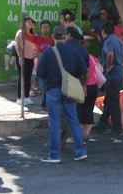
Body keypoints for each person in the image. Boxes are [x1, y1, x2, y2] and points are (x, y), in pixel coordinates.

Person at [37, 25, 88, 163]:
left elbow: (40, 73)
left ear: (53, 37)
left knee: (54, 123)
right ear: (66, 36)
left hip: (53, 90)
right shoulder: (74, 52)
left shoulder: (47, 53)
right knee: (74, 121)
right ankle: (80, 151)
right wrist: (83, 85)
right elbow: (84, 70)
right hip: (70, 90)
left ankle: (54, 155)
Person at [98, 22, 123, 135]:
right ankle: (102, 124)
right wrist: (121, 64)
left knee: (114, 103)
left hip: (112, 76)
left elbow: (110, 54)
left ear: (104, 32)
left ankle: (117, 128)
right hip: (119, 75)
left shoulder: (108, 41)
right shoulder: (117, 40)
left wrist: (109, 66)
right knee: (109, 101)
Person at [14, 17, 37, 105]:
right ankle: (20, 98)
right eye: (28, 22)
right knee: (22, 77)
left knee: (28, 78)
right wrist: (20, 56)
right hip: (22, 58)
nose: (30, 23)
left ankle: (27, 97)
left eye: (31, 22)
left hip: (30, 58)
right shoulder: (20, 33)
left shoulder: (32, 34)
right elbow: (17, 46)